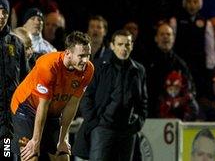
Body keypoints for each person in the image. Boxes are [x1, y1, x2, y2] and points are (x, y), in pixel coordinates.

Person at [10, 31, 94, 161]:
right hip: (25, 109)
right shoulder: (48, 65)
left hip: (52, 112)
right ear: (68, 53)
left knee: (62, 157)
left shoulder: (88, 69)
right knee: (31, 155)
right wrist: (36, 141)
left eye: (88, 55)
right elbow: (43, 105)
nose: (85, 61)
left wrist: (63, 139)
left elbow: (72, 104)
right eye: (81, 56)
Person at [73, 30, 148, 161]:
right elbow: (86, 96)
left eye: (127, 44)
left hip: (127, 130)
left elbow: (143, 101)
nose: (124, 48)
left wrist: (138, 122)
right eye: (120, 44)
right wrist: (95, 121)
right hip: (103, 128)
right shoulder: (98, 66)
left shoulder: (138, 70)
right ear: (112, 46)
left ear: (132, 46)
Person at [0, 0, 27, 160]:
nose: (1, 16)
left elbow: (26, 80)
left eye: (4, 12)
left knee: (7, 156)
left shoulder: (17, 44)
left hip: (9, 123)